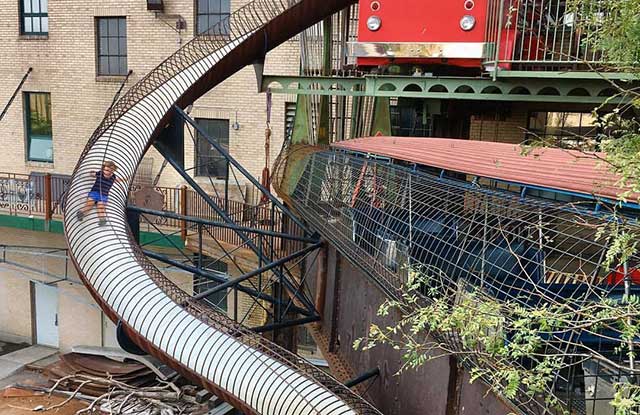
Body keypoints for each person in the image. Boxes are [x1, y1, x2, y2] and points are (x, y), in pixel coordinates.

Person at [76, 160, 124, 226]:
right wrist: (91, 173)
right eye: (106, 170)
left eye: (109, 170)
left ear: (113, 170)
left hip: (104, 195)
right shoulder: (100, 173)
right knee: (90, 204)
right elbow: (93, 174)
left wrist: (124, 179)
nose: (107, 172)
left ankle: (102, 220)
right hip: (95, 192)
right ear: (103, 169)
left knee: (101, 207)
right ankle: (81, 213)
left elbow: (117, 180)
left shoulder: (113, 177)